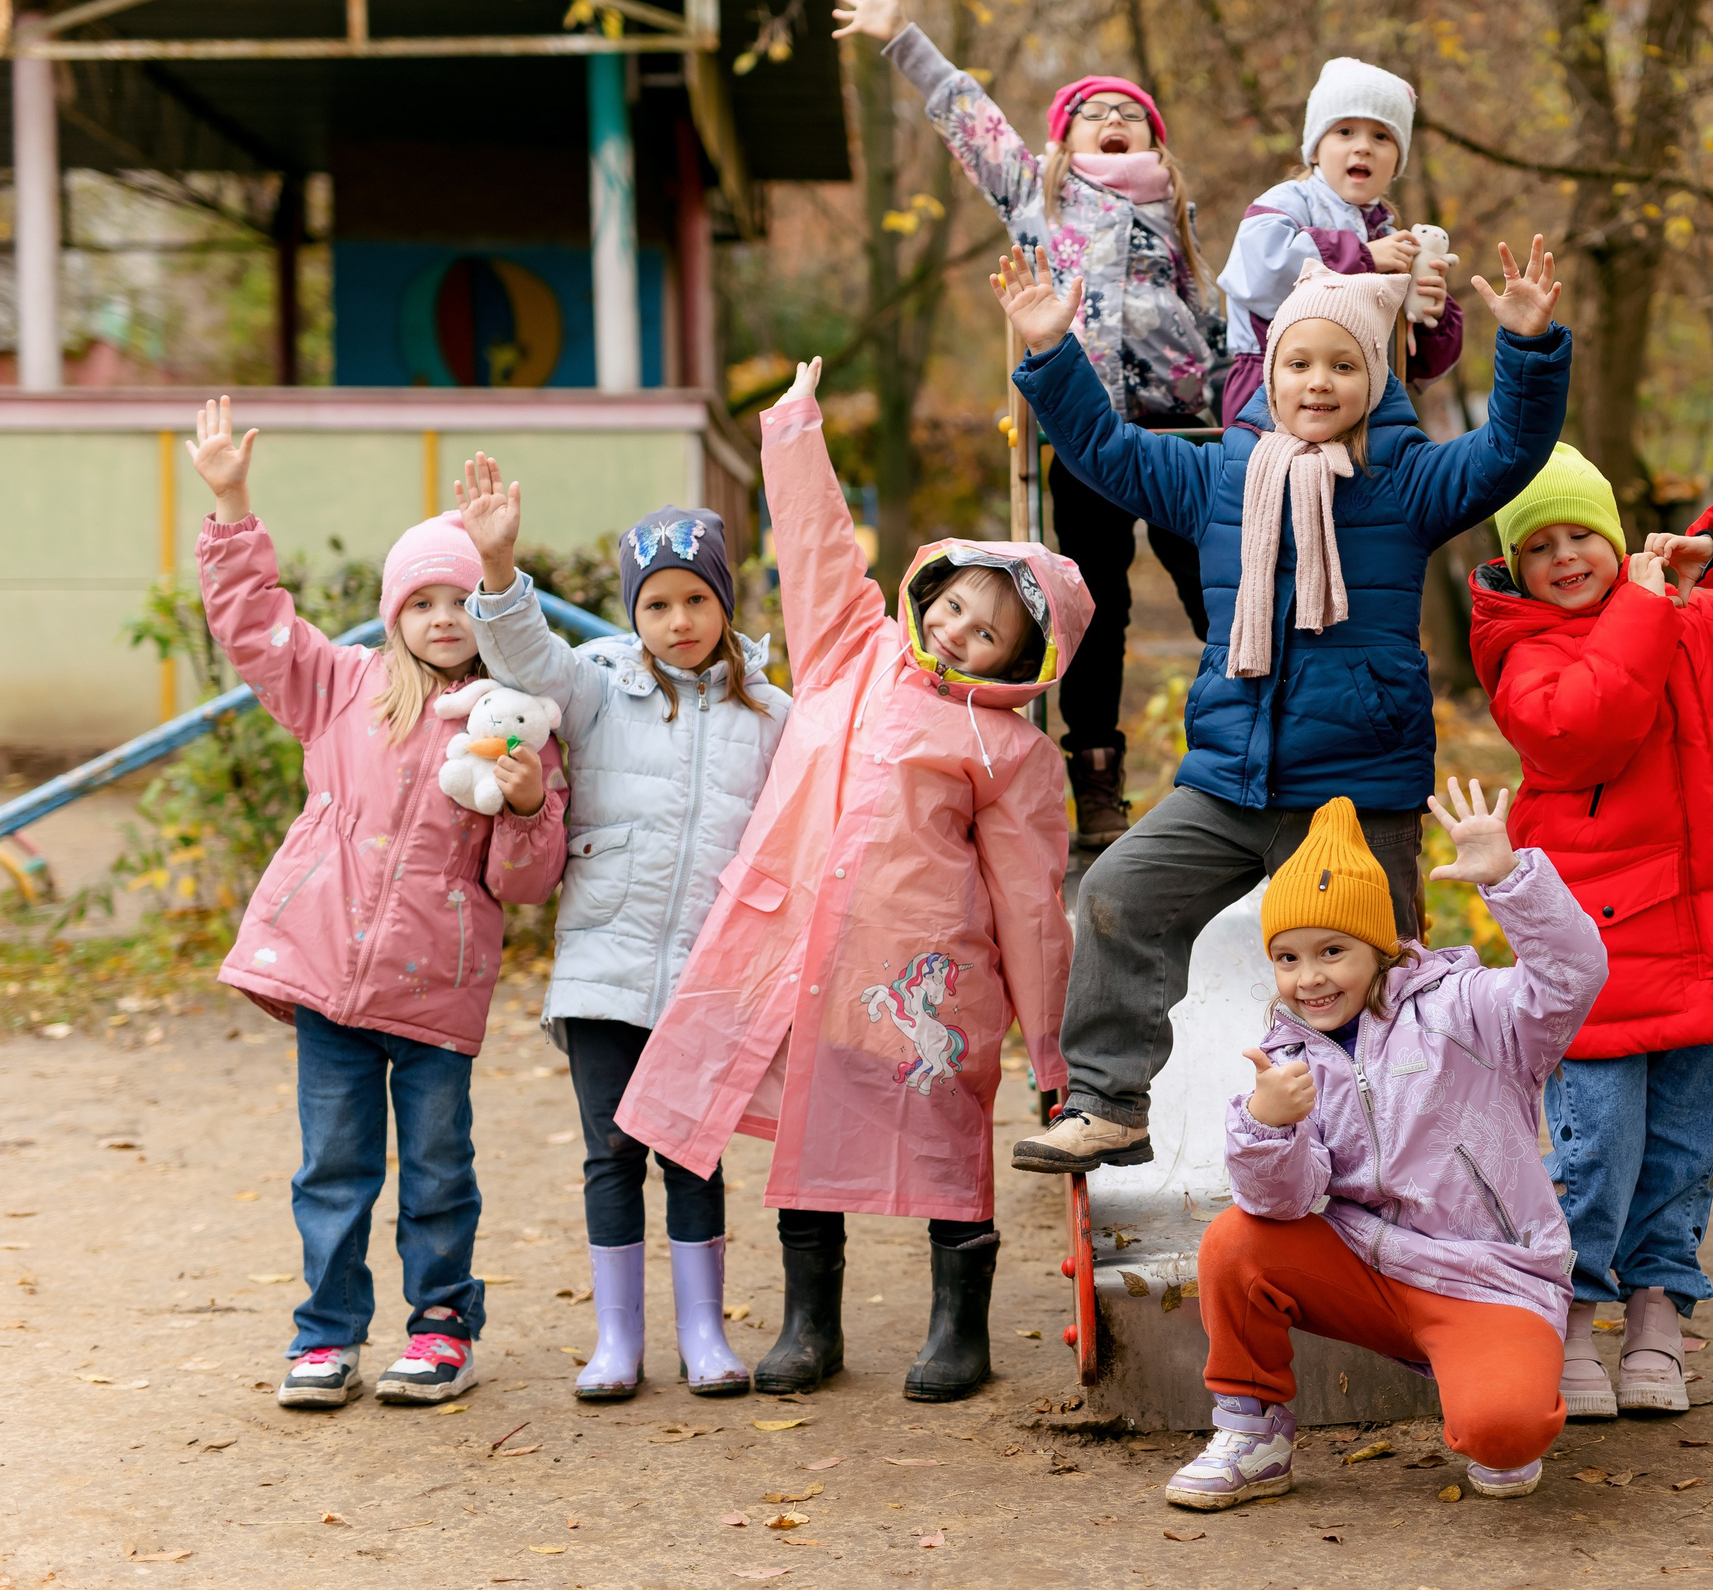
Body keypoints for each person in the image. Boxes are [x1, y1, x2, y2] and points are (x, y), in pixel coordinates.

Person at [989, 235, 1571, 1173]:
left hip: (1357, 785)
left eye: (1344, 365)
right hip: (1230, 778)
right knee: (1115, 896)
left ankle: (1396, 1154)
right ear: (1270, 374)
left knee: (1378, 977)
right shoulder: (1222, 476)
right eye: (1299, 362)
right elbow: (1102, 448)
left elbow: (1510, 449)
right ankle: (1107, 1103)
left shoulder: (1408, 482)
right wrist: (1053, 356)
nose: (1318, 381)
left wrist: (1532, 348)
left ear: (1373, 377)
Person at [614, 358, 1089, 1406]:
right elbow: (820, 547)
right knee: (798, 1124)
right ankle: (807, 1323)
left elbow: (1028, 901)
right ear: (933, 590)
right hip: (794, 950)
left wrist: (1050, 1037)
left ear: (1025, 656)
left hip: (922, 973)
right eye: (958, 604)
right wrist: (793, 429)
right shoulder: (848, 652)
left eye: (992, 629)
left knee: (945, 1127)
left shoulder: (1010, 752)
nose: (962, 630)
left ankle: (959, 1326)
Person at [182, 396, 568, 1411]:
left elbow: (526, 882)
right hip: (324, 976)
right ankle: (326, 1336)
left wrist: (528, 806)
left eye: (458, 601)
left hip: (435, 991)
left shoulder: (511, 719)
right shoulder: (340, 687)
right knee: (334, 1168)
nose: (443, 618)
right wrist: (231, 504)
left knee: (438, 1170)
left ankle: (442, 1327)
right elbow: (257, 626)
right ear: (394, 614)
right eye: (421, 602)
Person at [1466, 446, 1713, 1419]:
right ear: (1515, 567)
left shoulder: (1707, 620)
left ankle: (1658, 1317)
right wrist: (1638, 608)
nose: (1564, 557)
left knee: (1681, 1149)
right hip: (1600, 951)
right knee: (1594, 1146)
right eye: (1538, 546)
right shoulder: (1525, 651)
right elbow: (1585, 729)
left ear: (1617, 537)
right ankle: (1570, 1317)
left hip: (1712, 943)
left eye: (1580, 534)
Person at [833, 0, 1214, 849]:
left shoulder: (1177, 211)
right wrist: (905, 40)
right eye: (1095, 113)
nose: (1115, 124)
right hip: (1087, 429)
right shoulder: (1042, 197)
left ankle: (1241, 743)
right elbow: (971, 119)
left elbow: (1218, 318)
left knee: (1214, 590)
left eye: (1133, 116)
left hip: (1183, 435)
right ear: (1062, 136)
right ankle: (1096, 772)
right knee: (1098, 603)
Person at [1163, 783, 1607, 1510]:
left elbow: (1572, 978)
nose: (1309, 978)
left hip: (1485, 1277)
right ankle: (1255, 1434)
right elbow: (1287, 1202)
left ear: (1380, 944)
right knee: (1234, 1241)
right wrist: (1268, 1124)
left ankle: (1492, 1386)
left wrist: (1509, 879)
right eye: (1287, 957)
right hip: (1367, 1268)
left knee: (1505, 1432)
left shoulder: (1469, 1007)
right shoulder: (1287, 1056)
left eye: (1332, 951)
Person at [455, 459, 789, 1402]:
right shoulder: (599, 687)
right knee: (612, 1152)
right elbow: (528, 662)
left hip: (706, 977)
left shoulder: (770, 714)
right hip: (604, 969)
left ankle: (703, 1332)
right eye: (655, 606)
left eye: (695, 599)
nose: (677, 621)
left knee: (694, 1152)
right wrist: (498, 568)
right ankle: (616, 1340)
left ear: (725, 601)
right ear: (632, 616)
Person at [1215, 57, 1462, 427]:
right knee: (1276, 483)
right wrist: (1360, 258)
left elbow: (1422, 368)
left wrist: (1431, 317)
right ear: (1314, 148)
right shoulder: (1286, 204)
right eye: (1344, 132)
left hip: (1364, 405)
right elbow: (1262, 275)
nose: (1363, 147)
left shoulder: (1390, 239)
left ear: (1397, 162)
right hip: (1271, 390)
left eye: (1381, 136)